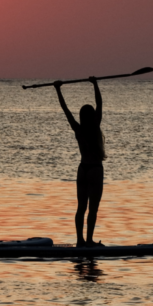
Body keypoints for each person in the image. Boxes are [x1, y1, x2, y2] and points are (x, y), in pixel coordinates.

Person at [54, 77, 107, 246]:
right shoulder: (95, 125)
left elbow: (65, 110)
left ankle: (79, 240)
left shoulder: (78, 129)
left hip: (82, 169)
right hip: (95, 170)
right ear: (92, 116)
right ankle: (89, 241)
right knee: (93, 208)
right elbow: (100, 104)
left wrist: (58, 89)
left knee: (81, 207)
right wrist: (95, 84)